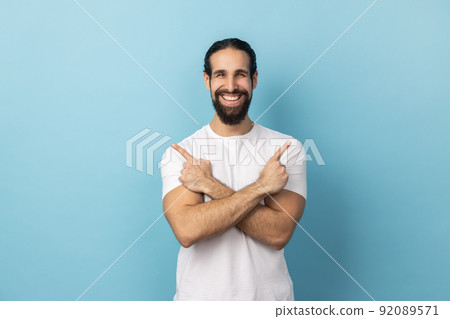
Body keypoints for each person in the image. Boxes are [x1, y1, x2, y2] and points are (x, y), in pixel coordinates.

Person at [160, 38, 307, 301]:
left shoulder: (286, 149)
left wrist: (210, 187)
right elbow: (187, 230)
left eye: (240, 74)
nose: (230, 86)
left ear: (254, 79)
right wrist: (261, 188)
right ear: (207, 80)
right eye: (221, 75)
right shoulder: (182, 154)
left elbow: (278, 233)